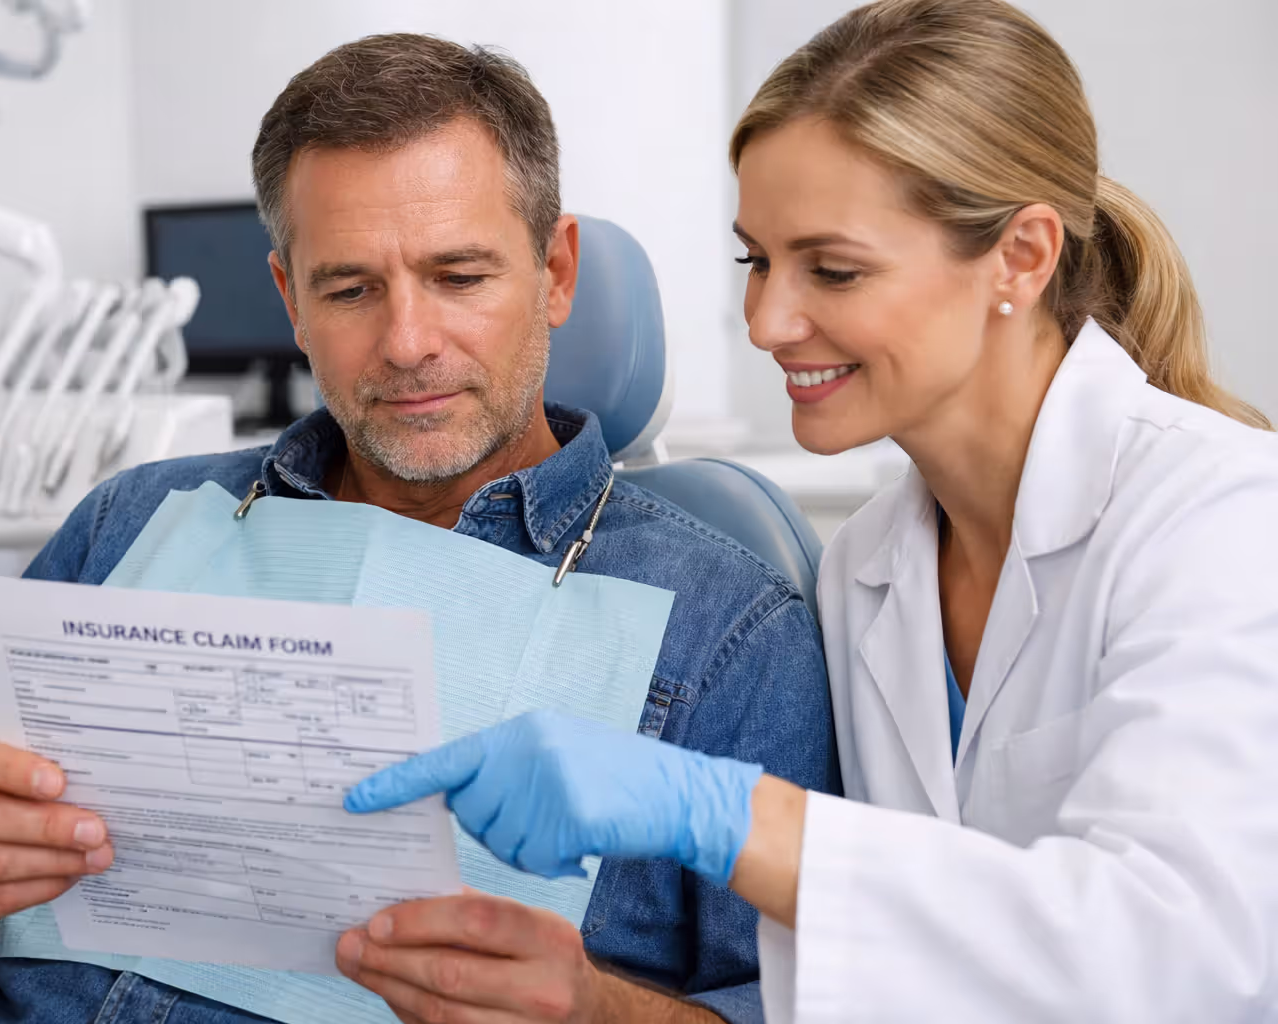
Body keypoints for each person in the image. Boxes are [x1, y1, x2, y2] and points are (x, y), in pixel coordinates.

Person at [0, 33, 836, 1024]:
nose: (408, 342)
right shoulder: (134, 522)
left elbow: (818, 1000)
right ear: (290, 297)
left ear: (554, 273)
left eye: (459, 276)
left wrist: (600, 1009)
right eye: (349, 288)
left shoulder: (729, 625)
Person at [341, 1, 1278, 1020]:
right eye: (758, 260)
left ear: (1020, 256)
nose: (767, 321)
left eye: (832, 268)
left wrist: (725, 813)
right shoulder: (869, 563)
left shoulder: (1223, 519)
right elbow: (885, 977)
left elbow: (1183, 957)